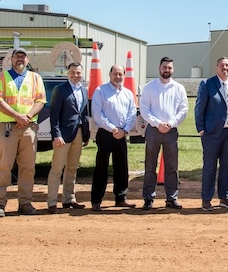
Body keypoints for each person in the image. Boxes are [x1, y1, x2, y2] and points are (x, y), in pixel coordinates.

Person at [0, 47, 47, 217]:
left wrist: (27, 116)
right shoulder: (0, 77)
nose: (20, 59)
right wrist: (17, 116)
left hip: (28, 127)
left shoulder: (36, 78)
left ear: (28, 60)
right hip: (7, 127)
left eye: (23, 57)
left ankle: (25, 203)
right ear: (11, 59)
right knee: (4, 167)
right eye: (17, 56)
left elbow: (41, 101)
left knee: (28, 168)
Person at [195, 57, 228, 211]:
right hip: (212, 133)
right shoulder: (207, 84)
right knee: (210, 166)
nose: (225, 67)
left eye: (227, 65)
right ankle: (206, 199)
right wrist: (201, 128)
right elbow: (199, 107)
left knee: (227, 166)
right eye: (222, 65)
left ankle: (225, 197)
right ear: (217, 67)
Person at [140, 57, 188, 210]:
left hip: (171, 131)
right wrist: (157, 123)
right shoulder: (149, 87)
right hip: (153, 131)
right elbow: (144, 110)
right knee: (150, 165)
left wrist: (171, 123)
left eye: (169, 68)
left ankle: (171, 198)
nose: (166, 70)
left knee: (172, 166)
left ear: (173, 70)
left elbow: (183, 109)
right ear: (159, 68)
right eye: (164, 67)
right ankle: (148, 198)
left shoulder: (179, 88)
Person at [90, 65, 137, 211]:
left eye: (120, 74)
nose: (118, 76)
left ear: (124, 75)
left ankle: (121, 198)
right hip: (105, 133)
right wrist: (112, 128)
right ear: (109, 74)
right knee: (101, 167)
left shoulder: (128, 93)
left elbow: (132, 113)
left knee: (122, 167)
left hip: (122, 134)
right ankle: (96, 200)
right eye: (115, 74)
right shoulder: (100, 91)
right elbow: (97, 113)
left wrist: (125, 130)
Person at [46, 62, 90, 214]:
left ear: (82, 74)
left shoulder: (84, 90)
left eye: (78, 73)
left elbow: (84, 115)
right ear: (67, 73)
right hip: (63, 136)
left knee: (72, 168)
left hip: (78, 133)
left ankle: (69, 199)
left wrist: (86, 135)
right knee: (57, 169)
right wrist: (56, 135)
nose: (75, 75)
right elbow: (54, 115)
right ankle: (52, 202)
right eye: (72, 72)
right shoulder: (60, 90)